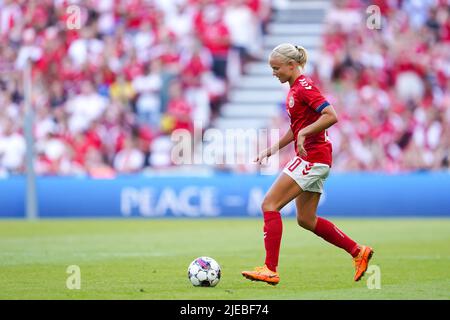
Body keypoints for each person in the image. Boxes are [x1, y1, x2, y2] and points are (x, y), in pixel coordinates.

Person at [241, 43, 374, 285]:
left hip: (313, 157)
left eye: (276, 68)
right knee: (306, 219)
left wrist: (304, 135)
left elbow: (331, 115)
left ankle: (270, 268)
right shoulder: (294, 89)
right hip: (314, 156)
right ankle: (358, 251)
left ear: (292, 66)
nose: (274, 73)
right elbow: (297, 129)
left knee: (270, 204)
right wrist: (273, 149)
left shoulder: (304, 87)